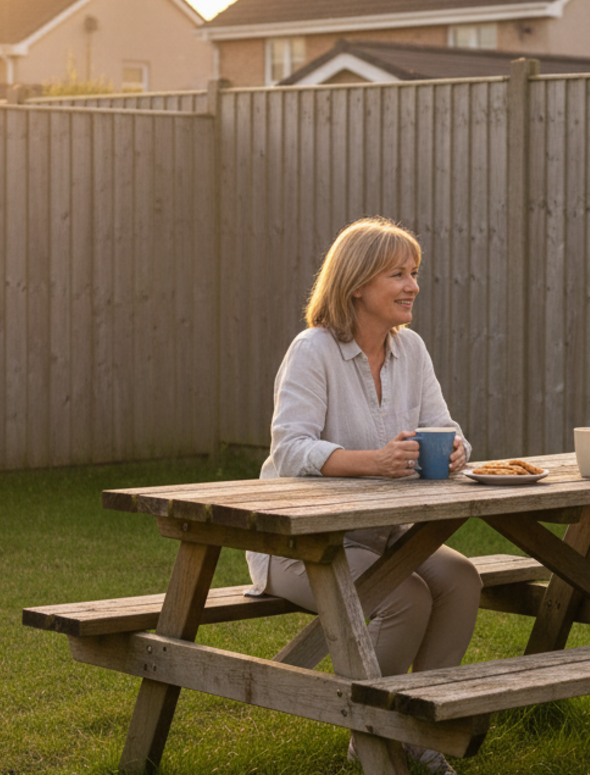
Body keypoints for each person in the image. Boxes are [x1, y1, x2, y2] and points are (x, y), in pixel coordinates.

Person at [248, 216, 479, 775]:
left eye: (414, 273)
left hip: (384, 531)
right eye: (397, 274)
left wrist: (455, 453)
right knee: (407, 598)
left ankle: (423, 728)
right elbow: (291, 448)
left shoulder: (412, 350)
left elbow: (446, 427)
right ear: (356, 284)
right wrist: (371, 462)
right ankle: (373, 732)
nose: (412, 285)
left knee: (462, 581)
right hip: (299, 542)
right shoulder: (313, 350)